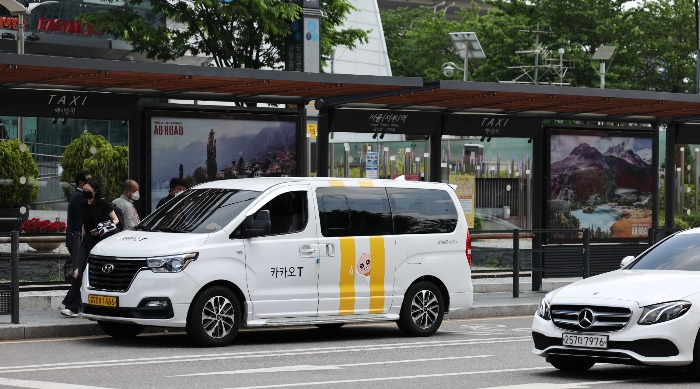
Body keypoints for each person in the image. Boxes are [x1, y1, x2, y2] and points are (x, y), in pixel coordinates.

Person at [61, 178, 119, 317]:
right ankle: (73, 307)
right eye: (84, 190)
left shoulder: (103, 203)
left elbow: (115, 220)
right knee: (77, 272)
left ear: (95, 191)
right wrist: (82, 238)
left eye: (89, 191)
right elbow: (83, 224)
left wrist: (101, 228)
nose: (85, 192)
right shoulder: (83, 205)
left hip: (102, 241)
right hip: (87, 241)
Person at [64, 171, 91, 279]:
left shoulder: (76, 195)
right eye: (88, 181)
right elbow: (80, 221)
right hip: (78, 238)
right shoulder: (80, 197)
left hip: (75, 237)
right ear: (81, 183)